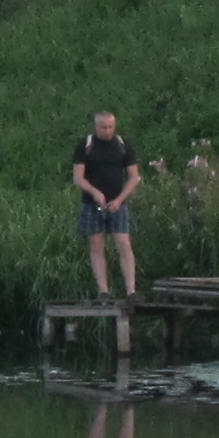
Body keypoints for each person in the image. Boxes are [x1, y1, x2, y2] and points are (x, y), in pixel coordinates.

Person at [69, 110, 142, 299]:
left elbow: (134, 176)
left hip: (118, 202)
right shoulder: (86, 146)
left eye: (110, 127)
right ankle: (103, 291)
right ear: (96, 126)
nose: (107, 131)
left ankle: (131, 290)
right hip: (92, 204)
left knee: (124, 243)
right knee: (96, 245)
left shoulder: (122, 145)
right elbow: (78, 177)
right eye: (103, 127)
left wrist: (119, 199)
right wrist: (95, 192)